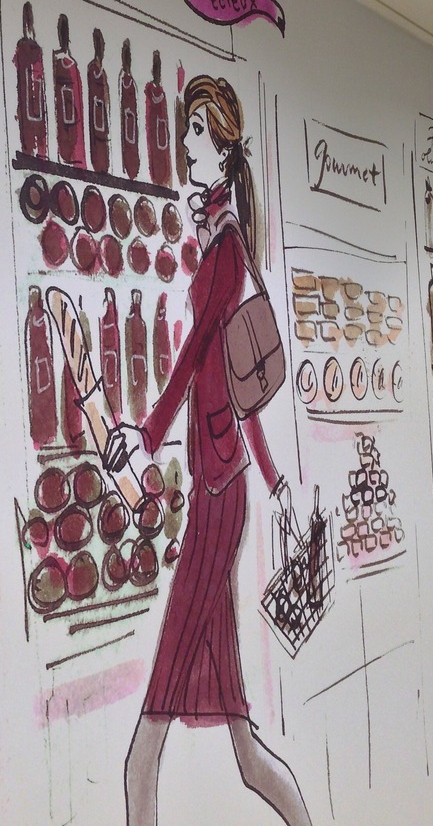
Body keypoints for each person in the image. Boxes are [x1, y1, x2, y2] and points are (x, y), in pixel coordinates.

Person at [104, 75, 312, 826]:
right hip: (221, 484)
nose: (185, 143)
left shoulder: (225, 248)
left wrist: (148, 432)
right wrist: (274, 478)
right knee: (245, 750)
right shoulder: (220, 239)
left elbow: (198, 354)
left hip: (218, 498)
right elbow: (232, 380)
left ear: (223, 150)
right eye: (186, 129)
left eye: (196, 131)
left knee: (143, 752)